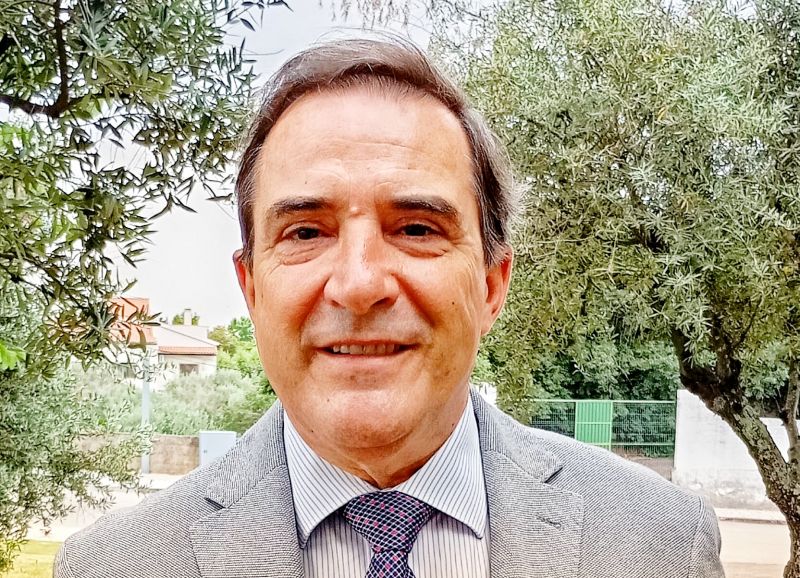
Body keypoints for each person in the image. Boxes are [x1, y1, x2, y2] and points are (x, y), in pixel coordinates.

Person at [54, 38, 724, 578]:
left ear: (492, 285)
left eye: (417, 228)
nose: (359, 284)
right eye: (305, 232)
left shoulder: (662, 546)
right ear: (252, 289)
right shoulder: (112, 566)